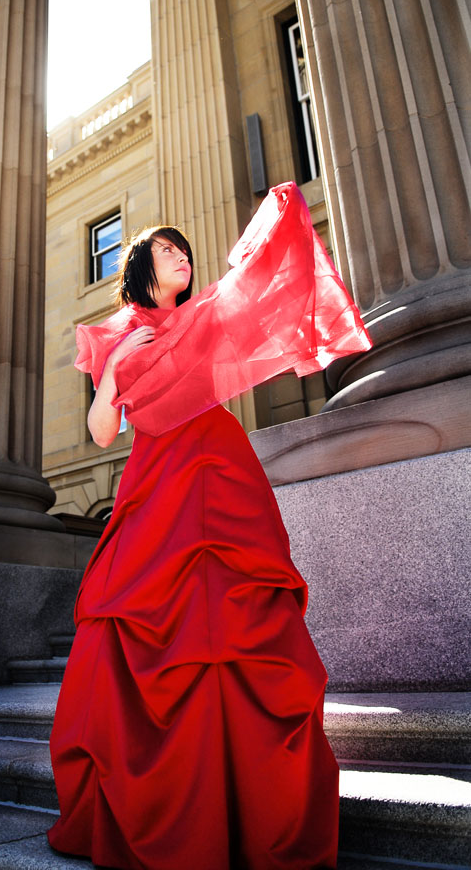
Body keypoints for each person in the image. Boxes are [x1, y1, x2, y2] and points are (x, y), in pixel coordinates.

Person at [47, 182, 372, 870]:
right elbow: (103, 431)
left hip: (218, 469)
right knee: (143, 611)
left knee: (232, 613)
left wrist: (277, 222)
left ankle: (253, 794)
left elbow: (256, 296)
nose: (180, 258)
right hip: (155, 476)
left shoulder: (205, 319)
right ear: (140, 266)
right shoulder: (121, 336)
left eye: (184, 251)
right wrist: (110, 380)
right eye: (166, 250)